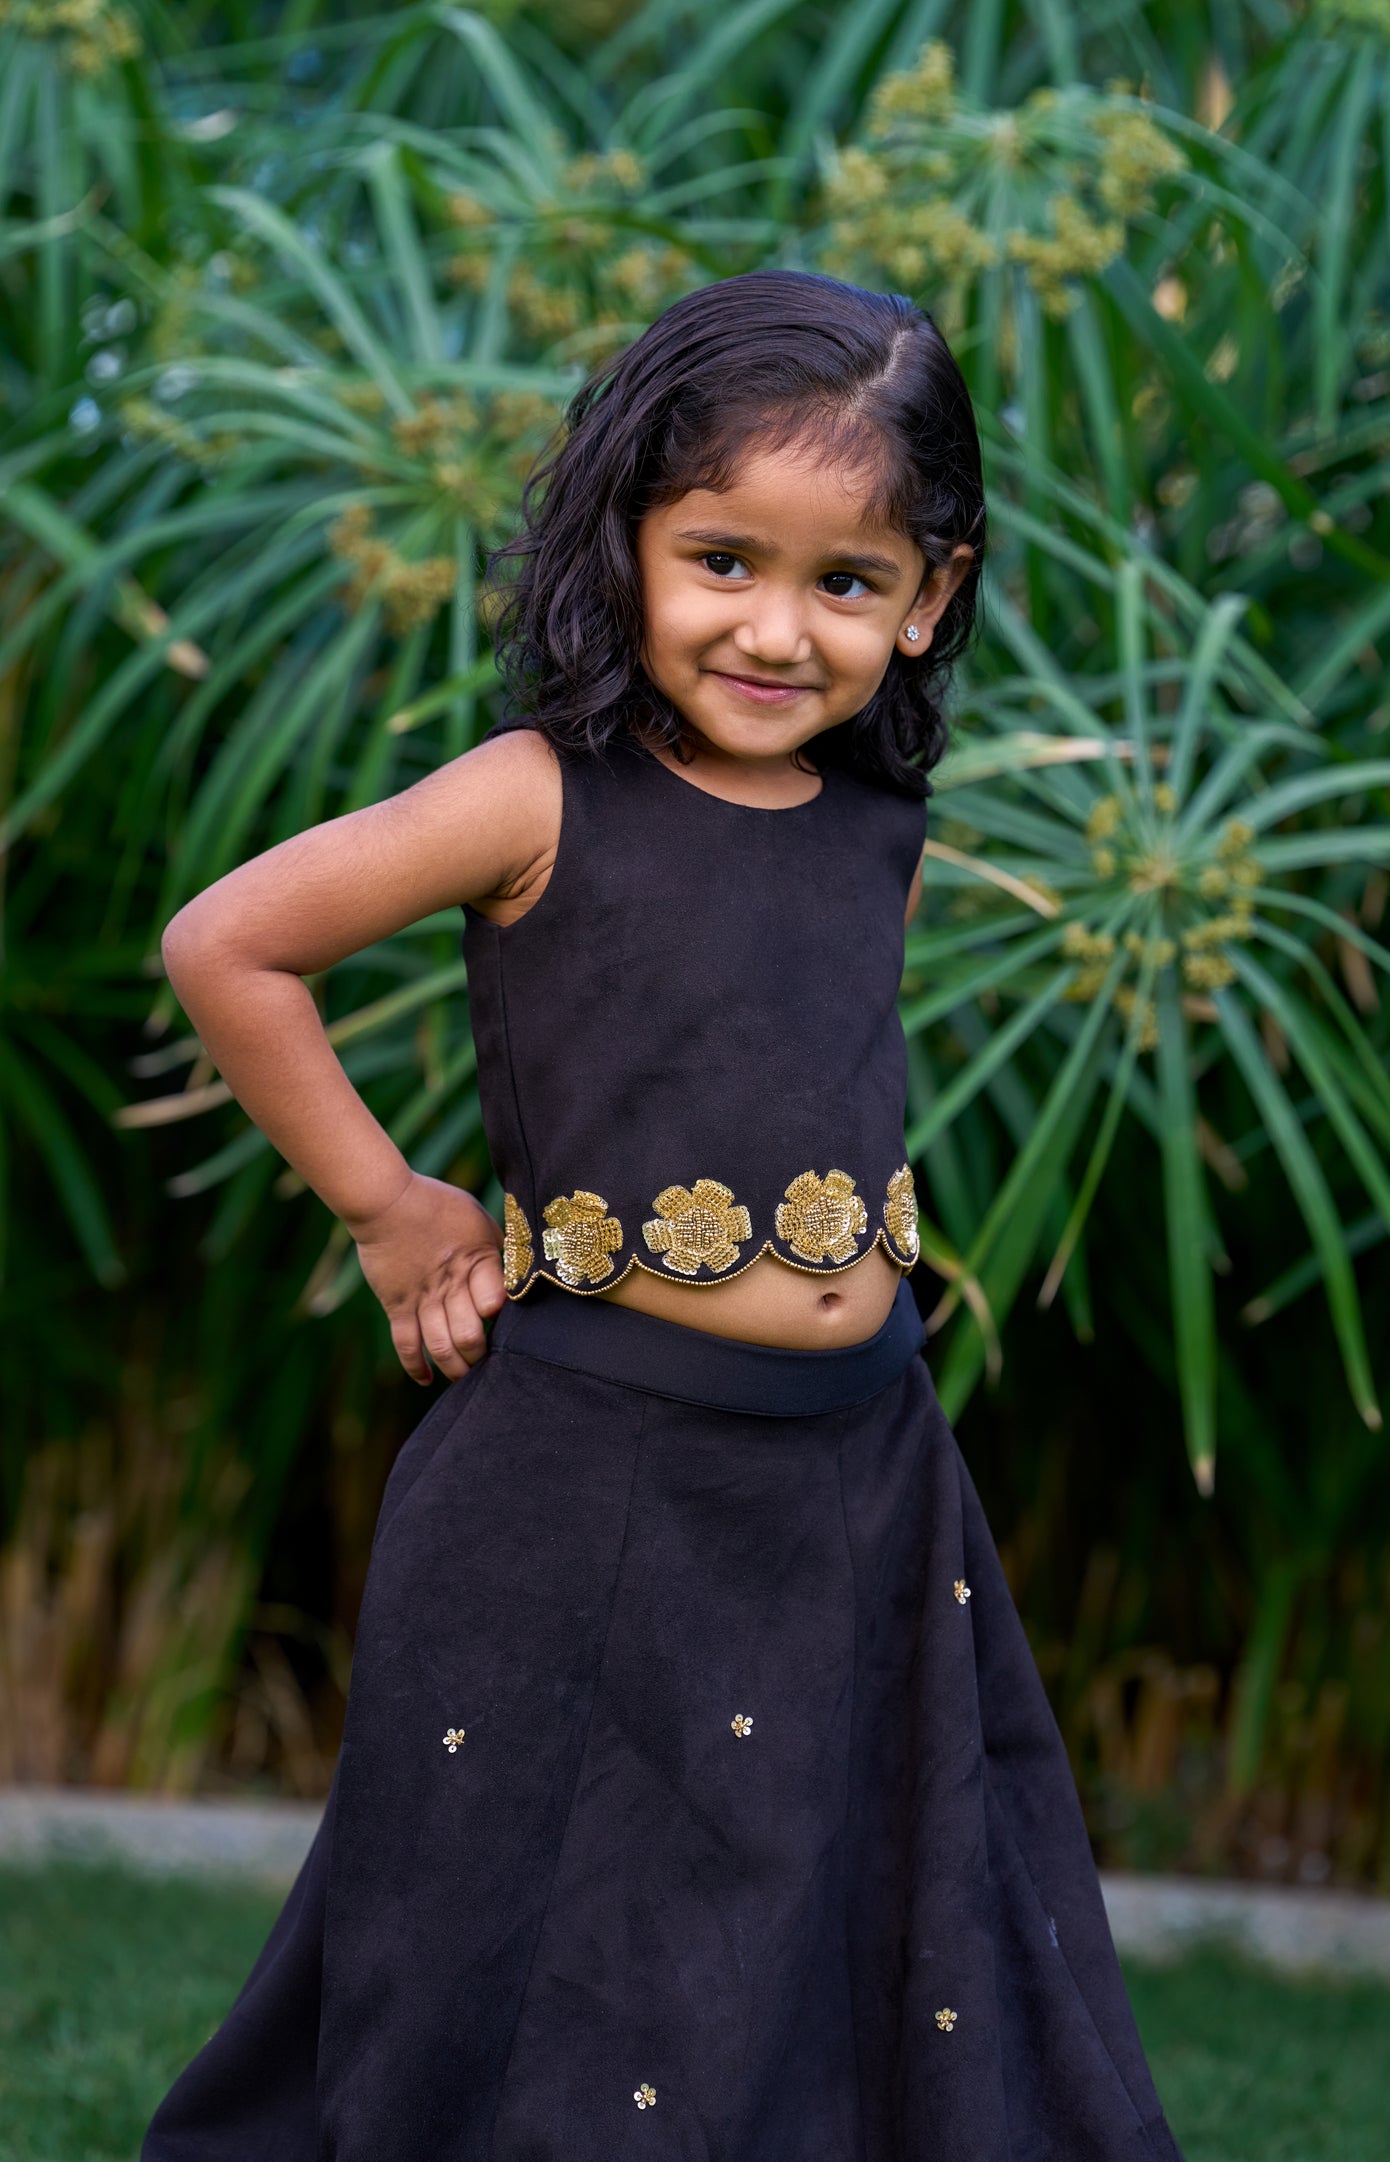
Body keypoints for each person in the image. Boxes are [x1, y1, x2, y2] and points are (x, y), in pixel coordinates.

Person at [143, 269, 1181, 2162]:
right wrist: (393, 1208)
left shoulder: (878, 821)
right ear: (624, 532)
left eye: (846, 582)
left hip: (860, 1478)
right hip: (590, 1487)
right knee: (564, 1926)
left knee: (832, 1915)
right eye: (721, 560)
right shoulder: (538, 796)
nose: (778, 628)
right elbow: (229, 945)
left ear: (929, 593)